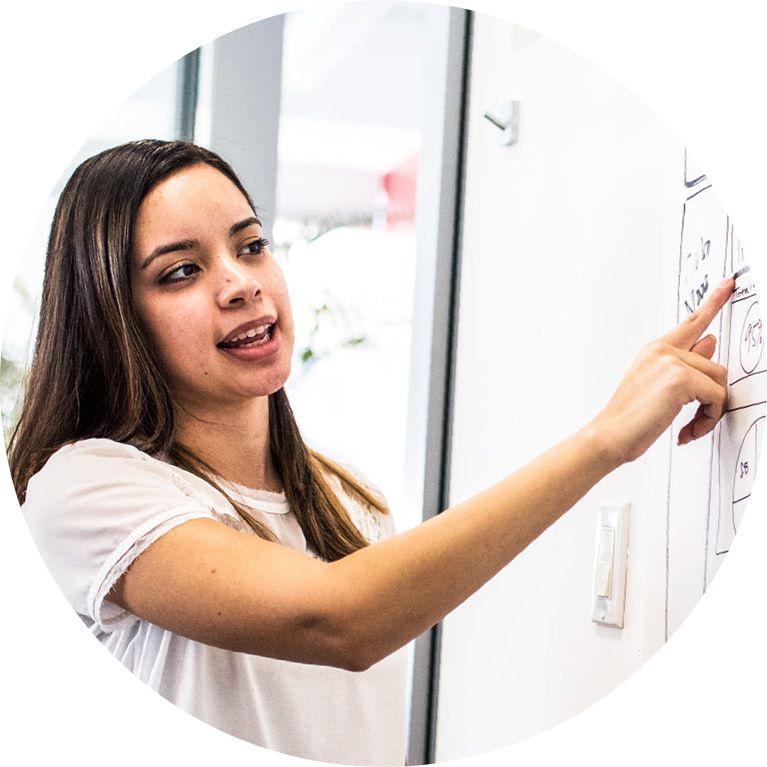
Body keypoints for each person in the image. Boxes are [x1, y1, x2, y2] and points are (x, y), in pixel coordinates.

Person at [9, 139, 732, 766]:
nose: (240, 283)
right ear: (113, 320)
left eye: (250, 244)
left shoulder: (346, 498)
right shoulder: (82, 485)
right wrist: (603, 440)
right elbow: (339, 619)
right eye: (180, 271)